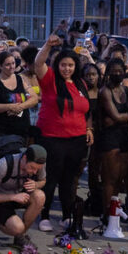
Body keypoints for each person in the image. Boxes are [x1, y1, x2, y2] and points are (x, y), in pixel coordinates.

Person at [33, 35, 91, 234]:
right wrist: (48, 45)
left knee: (70, 181)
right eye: (64, 65)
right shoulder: (49, 80)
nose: (67, 68)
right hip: (52, 139)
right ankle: (45, 215)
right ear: (57, 65)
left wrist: (88, 129)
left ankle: (67, 215)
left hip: (76, 141)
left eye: (71, 65)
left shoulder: (80, 84)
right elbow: (38, 62)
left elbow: (85, 110)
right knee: (50, 179)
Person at [0, 144, 47, 247]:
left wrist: (36, 184)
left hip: (19, 196)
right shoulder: (3, 165)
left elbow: (43, 180)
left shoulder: (39, 165)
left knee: (40, 196)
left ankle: (20, 236)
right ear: (24, 158)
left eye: (37, 169)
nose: (34, 172)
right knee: (17, 228)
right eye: (32, 168)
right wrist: (12, 197)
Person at [95, 57, 128, 224]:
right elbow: (118, 116)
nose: (117, 74)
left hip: (125, 136)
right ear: (108, 73)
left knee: (120, 177)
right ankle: (107, 212)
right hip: (109, 137)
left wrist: (120, 118)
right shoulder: (104, 91)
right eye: (114, 72)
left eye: (120, 71)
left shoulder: (126, 91)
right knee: (109, 178)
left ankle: (115, 208)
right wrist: (123, 118)